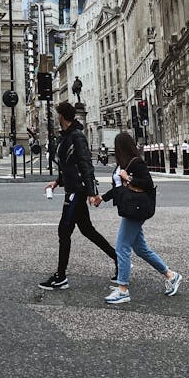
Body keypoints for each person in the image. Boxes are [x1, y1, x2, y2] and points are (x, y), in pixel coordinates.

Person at [93, 131, 182, 305]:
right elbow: (119, 188)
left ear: (122, 148)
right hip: (129, 208)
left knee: (122, 247)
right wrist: (102, 198)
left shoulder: (136, 163)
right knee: (141, 249)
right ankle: (171, 276)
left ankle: (123, 289)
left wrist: (130, 178)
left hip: (136, 208)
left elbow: (147, 183)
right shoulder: (122, 165)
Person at [39, 101, 117, 291]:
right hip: (72, 188)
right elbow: (67, 164)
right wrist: (57, 182)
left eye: (58, 115)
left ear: (62, 116)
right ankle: (119, 259)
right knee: (87, 230)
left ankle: (61, 276)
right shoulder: (66, 136)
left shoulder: (77, 136)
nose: (56, 118)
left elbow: (85, 165)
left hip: (77, 191)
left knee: (64, 230)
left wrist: (91, 192)